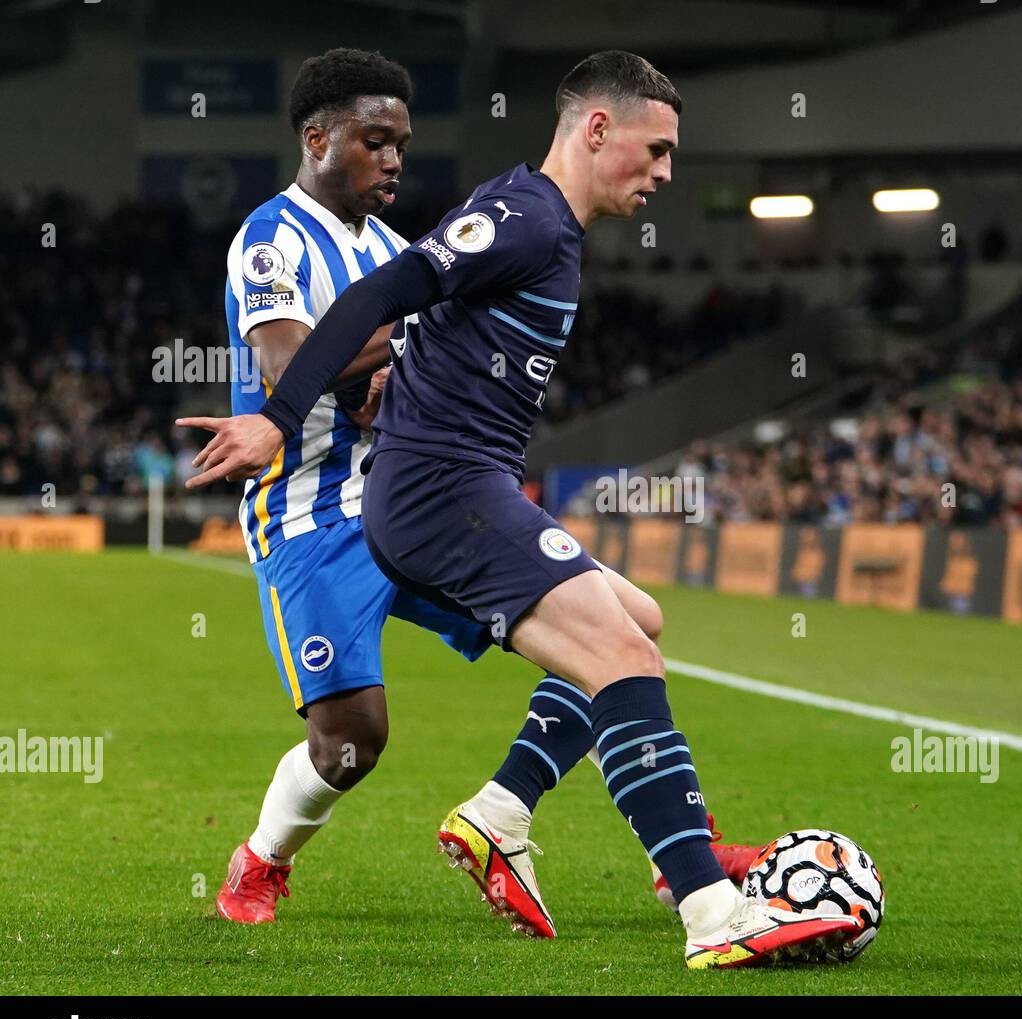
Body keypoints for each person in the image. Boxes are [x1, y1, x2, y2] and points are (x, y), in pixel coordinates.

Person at [181, 50, 862, 968]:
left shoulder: (412, 239)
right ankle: (261, 862)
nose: (393, 161)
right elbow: (297, 352)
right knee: (354, 739)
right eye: (375, 141)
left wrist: (399, 376)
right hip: (316, 511)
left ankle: (528, 818)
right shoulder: (277, 240)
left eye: (402, 144)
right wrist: (284, 412)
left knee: (634, 625)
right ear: (318, 137)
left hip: (405, 487)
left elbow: (409, 332)